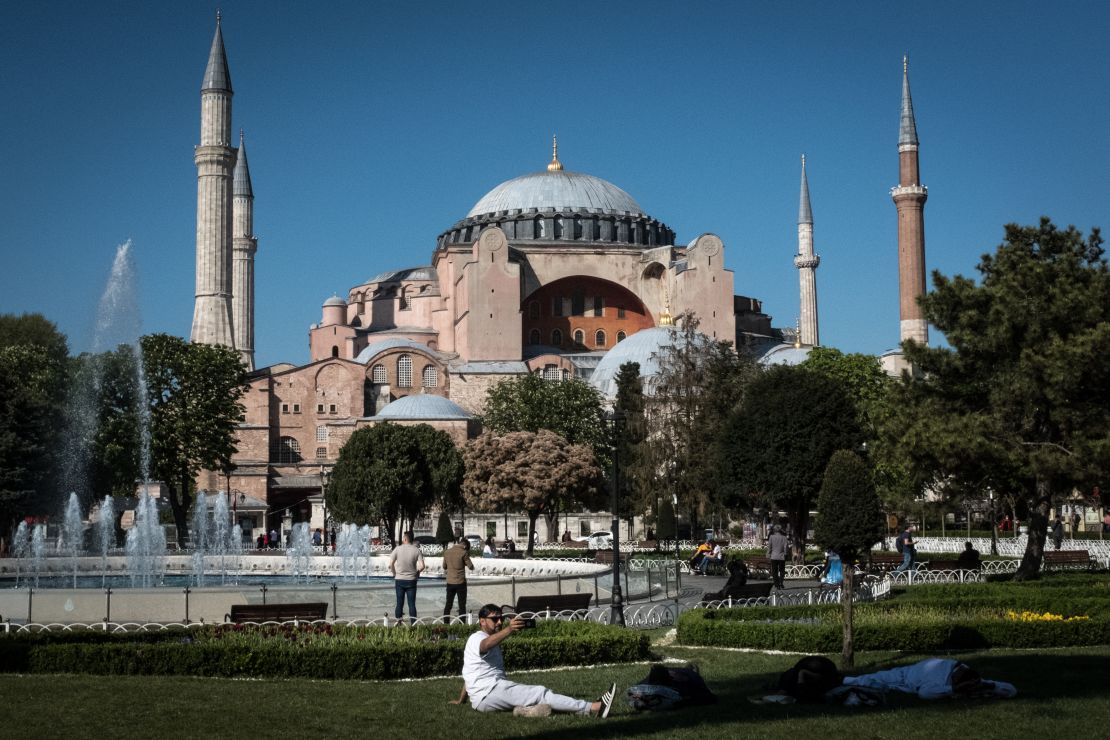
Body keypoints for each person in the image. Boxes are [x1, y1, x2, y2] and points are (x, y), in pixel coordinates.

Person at [461, 604, 617, 717]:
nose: (500, 622)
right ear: (482, 621)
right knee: (540, 693)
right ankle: (593, 708)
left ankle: (527, 711)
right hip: (490, 691)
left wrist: (461, 700)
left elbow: (470, 673)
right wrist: (509, 630)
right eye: (494, 619)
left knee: (532, 697)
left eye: (501, 618)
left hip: (485, 697)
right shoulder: (477, 638)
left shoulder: (486, 639)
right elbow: (485, 646)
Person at [842, 658, 1016, 700]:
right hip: (906, 675)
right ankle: (844, 681)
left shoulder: (968, 677)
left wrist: (990, 686)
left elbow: (1010, 690)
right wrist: (954, 690)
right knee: (872, 679)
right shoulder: (941, 678)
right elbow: (925, 693)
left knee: (874, 682)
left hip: (910, 680)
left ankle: (844, 681)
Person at [389, 531, 425, 624]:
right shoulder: (416, 550)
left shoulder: (397, 549)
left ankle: (398, 624)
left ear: (405, 539)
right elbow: (422, 566)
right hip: (412, 580)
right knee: (412, 604)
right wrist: (417, 573)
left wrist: (394, 574)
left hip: (399, 579)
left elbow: (390, 564)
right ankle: (413, 625)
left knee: (399, 603)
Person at [442, 537, 474, 622]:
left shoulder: (447, 552)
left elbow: (444, 566)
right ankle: (462, 624)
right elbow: (471, 566)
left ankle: (445, 624)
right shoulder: (464, 553)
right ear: (465, 545)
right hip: (460, 583)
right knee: (462, 605)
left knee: (448, 605)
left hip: (450, 582)